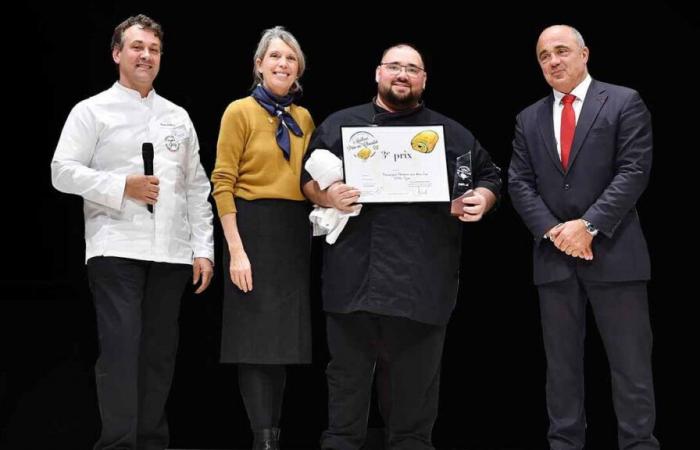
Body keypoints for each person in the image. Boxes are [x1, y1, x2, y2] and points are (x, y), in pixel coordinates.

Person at [301, 44, 501, 450]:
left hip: (423, 283)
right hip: (353, 280)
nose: (403, 74)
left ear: (424, 80)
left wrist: (483, 197)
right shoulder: (342, 125)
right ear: (378, 73)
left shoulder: (452, 133)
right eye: (395, 66)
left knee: (414, 403)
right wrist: (328, 197)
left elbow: (490, 175)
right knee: (346, 388)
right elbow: (306, 181)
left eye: (413, 69)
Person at [50, 14, 214, 450]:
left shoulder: (177, 116)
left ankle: (152, 441)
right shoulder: (92, 110)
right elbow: (61, 171)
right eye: (137, 47)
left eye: (154, 49)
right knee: (122, 351)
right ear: (117, 53)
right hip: (116, 246)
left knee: (159, 355)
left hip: (172, 253)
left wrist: (204, 249)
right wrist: (123, 186)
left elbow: (197, 187)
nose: (146, 55)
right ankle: (118, 443)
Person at [508, 25, 659, 450]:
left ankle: (638, 445)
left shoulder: (624, 101)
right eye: (543, 56)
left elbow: (633, 171)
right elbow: (519, 182)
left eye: (561, 51)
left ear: (584, 53)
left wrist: (587, 226)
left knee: (630, 366)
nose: (553, 61)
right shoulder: (528, 118)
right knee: (561, 370)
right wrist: (556, 232)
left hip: (616, 254)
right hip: (554, 259)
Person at [210, 26, 314, 450]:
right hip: (250, 229)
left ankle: (275, 434)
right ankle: (261, 439)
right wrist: (236, 250)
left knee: (281, 342)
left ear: (298, 69)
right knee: (253, 340)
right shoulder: (239, 111)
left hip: (292, 232)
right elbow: (222, 182)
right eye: (274, 56)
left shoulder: (304, 118)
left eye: (290, 58)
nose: (282, 64)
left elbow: (309, 180)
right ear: (258, 64)